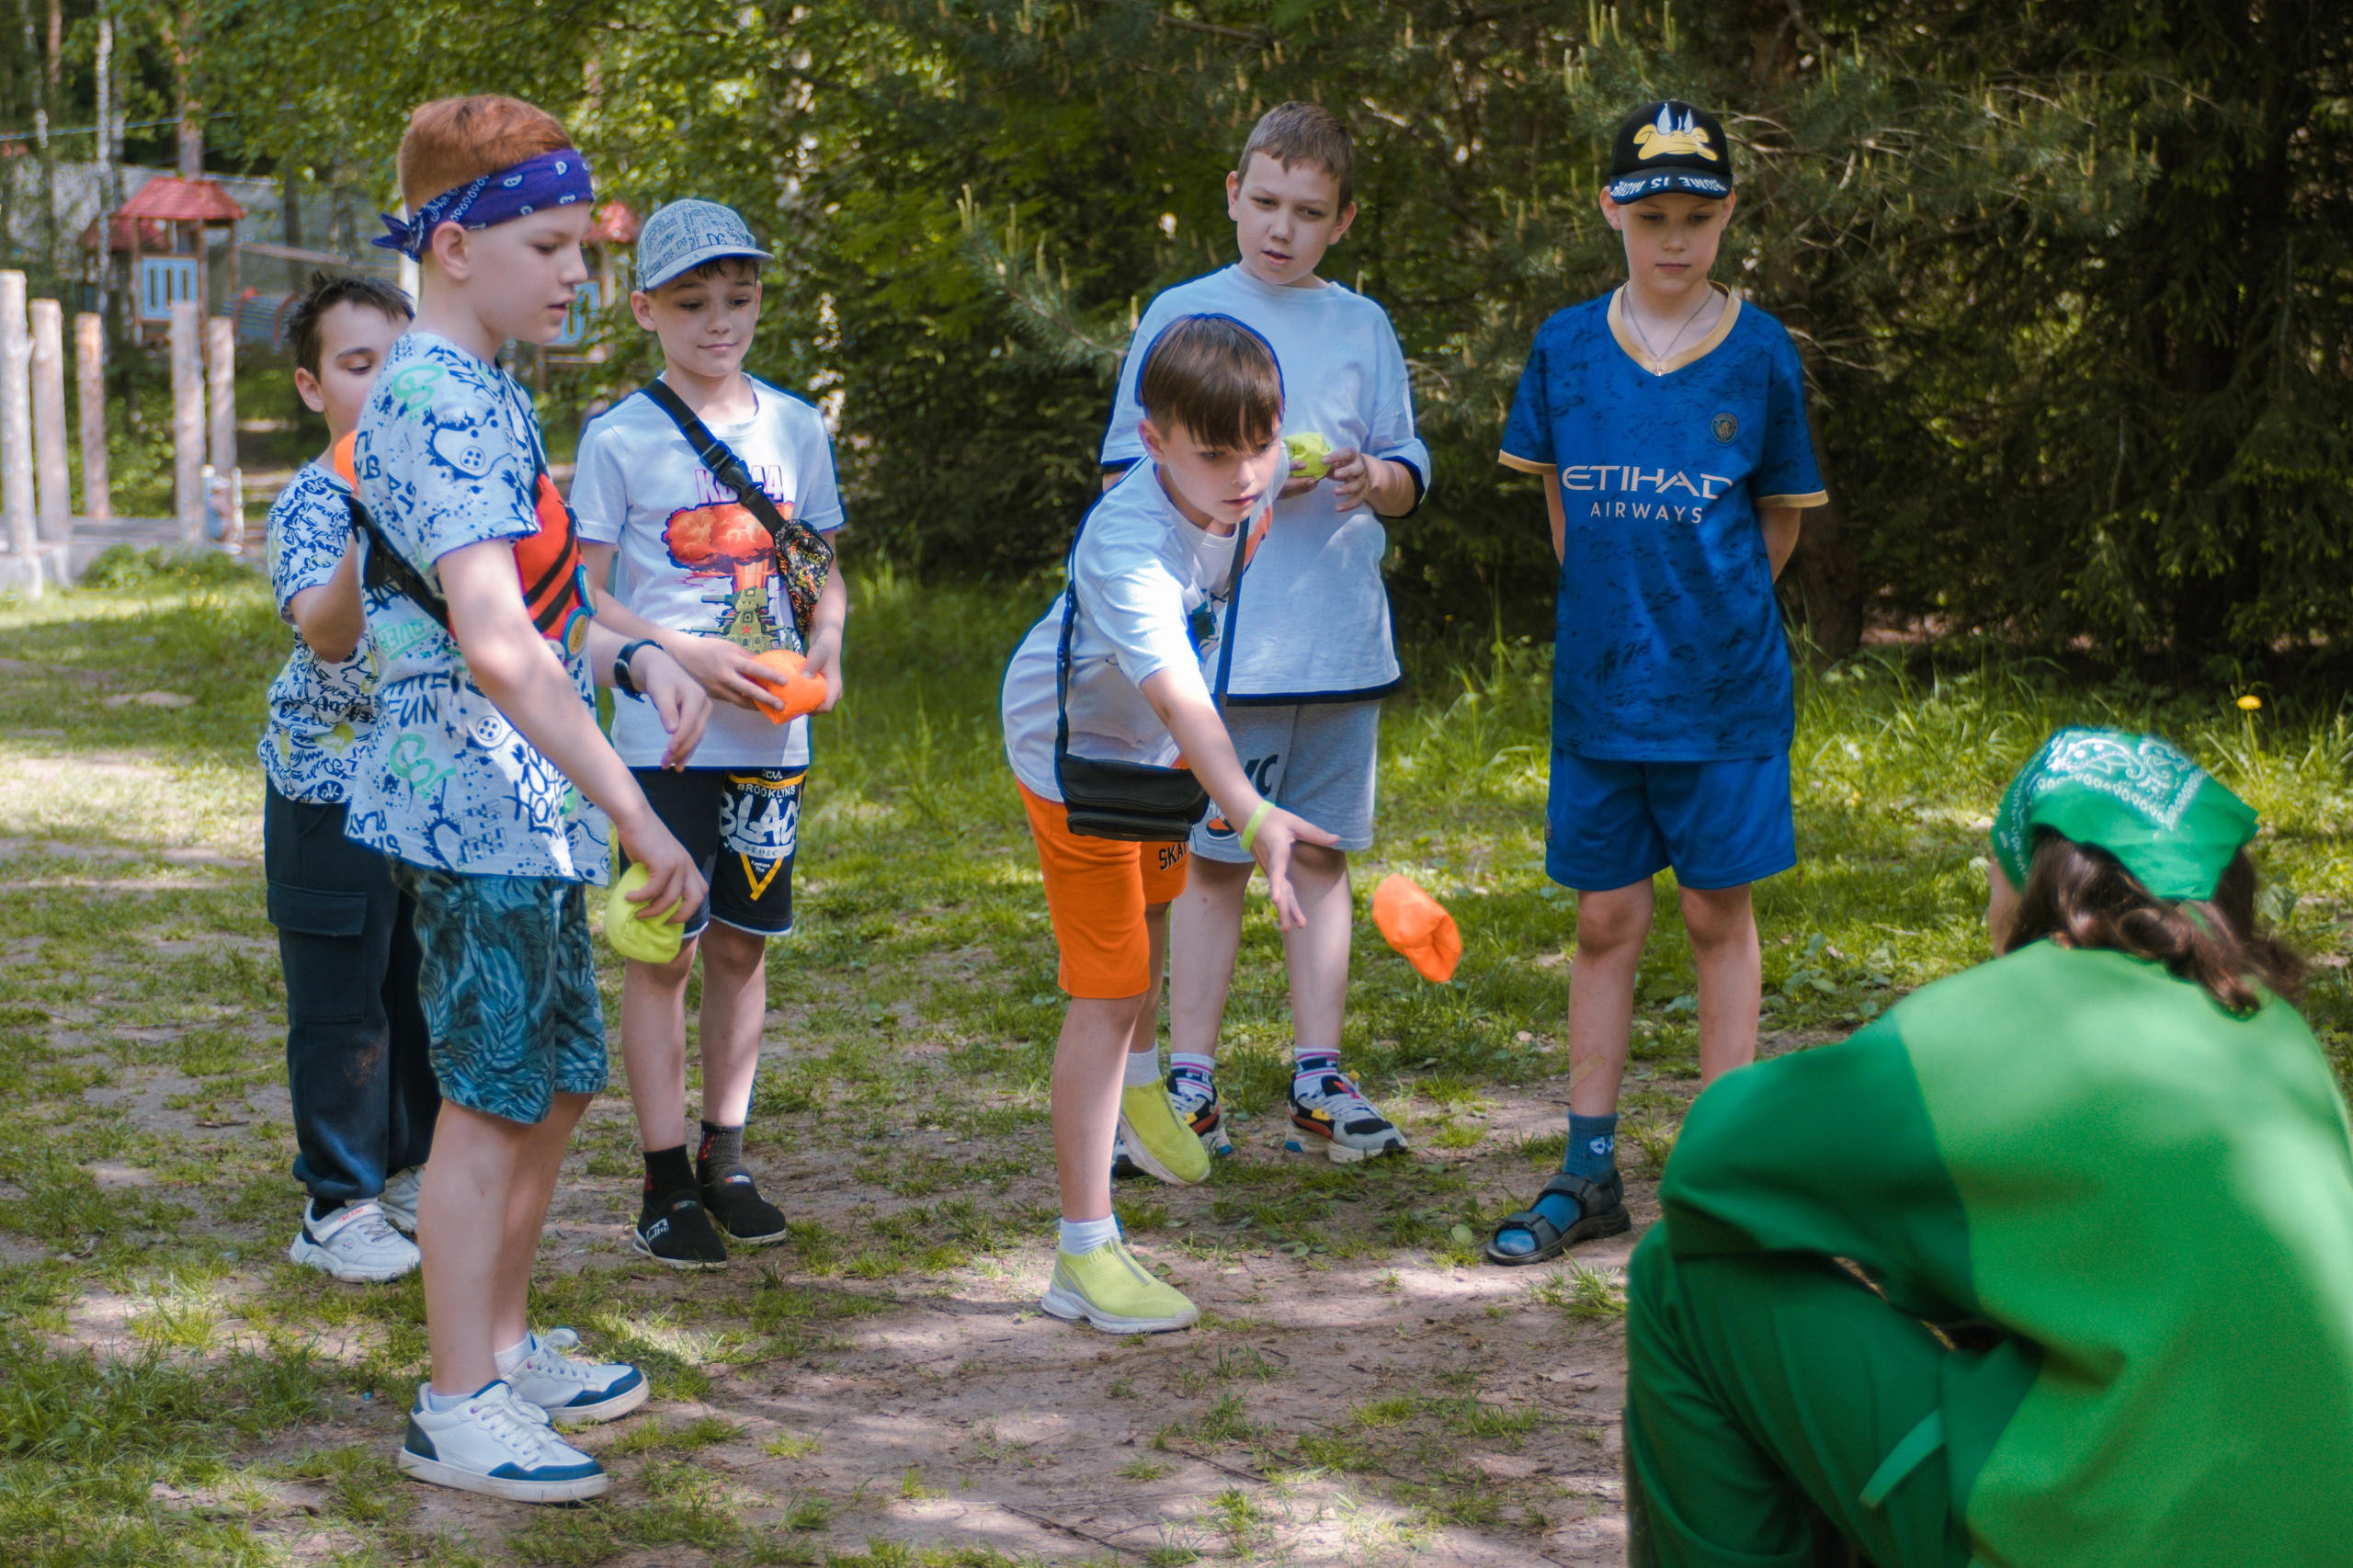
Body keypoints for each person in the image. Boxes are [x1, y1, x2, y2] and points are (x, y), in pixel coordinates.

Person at [1622, 725, 2353, 1565]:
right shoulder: (2276, 1031)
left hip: (2084, 1533)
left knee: (1677, 1275)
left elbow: (1708, 1166)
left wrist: (1897, 1244)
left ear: (2030, 866)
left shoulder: (2000, 1020)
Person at [348, 94, 714, 1503]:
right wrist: (636, 807)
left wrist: (639, 649)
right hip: (475, 807)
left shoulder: (491, 384)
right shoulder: (436, 397)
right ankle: (454, 1402)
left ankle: (499, 1343)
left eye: (584, 248)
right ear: (453, 244)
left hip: (528, 800)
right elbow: (494, 646)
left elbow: (535, 607)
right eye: (553, 245)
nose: (580, 275)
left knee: (556, 1081)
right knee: (490, 1104)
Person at [1486, 100, 1826, 1265]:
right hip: (1600, 692)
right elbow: (1563, 509)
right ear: (1610, 214)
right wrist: (1622, 624)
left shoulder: (1762, 350)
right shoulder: (1567, 345)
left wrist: (1706, 618)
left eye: (1696, 216)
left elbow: (1775, 518)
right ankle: (1588, 1171)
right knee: (1604, 916)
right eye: (1650, 217)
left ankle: (1720, 1175)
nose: (1672, 238)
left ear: (1727, 214)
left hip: (1725, 693)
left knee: (1711, 913)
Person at [1100, 102, 1428, 1172]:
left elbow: (1407, 468)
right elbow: (1125, 471)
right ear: (1231, 193)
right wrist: (1242, 484)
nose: (1282, 228)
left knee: (1322, 851)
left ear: (1341, 222)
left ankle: (1318, 1080)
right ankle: (1187, 1082)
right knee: (1217, 858)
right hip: (1222, 647)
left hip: (1337, 637)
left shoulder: (1362, 325)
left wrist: (1370, 477)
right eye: (1266, 202)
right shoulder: (1181, 312)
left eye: (1309, 211)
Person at [1002, 313, 1336, 1333]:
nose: (1244, 475)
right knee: (1104, 993)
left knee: (1153, 917)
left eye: (1260, 443)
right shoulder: (1126, 548)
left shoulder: (1253, 466)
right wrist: (1256, 813)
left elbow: (1288, 456)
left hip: (1146, 761)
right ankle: (1082, 1254)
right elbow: (1184, 702)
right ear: (1151, 442)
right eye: (1214, 454)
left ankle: (1145, 1087)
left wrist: (1315, 455)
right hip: (1077, 760)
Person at [572, 199, 849, 1271]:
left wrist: (828, 635)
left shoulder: (795, 426)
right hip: (659, 744)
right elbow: (581, 598)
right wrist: (679, 655)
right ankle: (661, 1176)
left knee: (742, 943)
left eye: (737, 300)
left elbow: (815, 562)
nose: (717, 323)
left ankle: (725, 1156)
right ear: (644, 308)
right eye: (691, 304)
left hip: (772, 738)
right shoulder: (619, 436)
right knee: (663, 951)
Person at [260, 272, 435, 1284]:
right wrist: (368, 519)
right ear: (312, 386)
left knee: (413, 989)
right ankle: (336, 1201)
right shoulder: (315, 501)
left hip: (423, 785)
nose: (381, 382)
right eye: (356, 364)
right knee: (342, 1001)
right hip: (325, 789)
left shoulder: (442, 487)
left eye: (396, 361)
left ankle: (408, 1170)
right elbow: (326, 632)